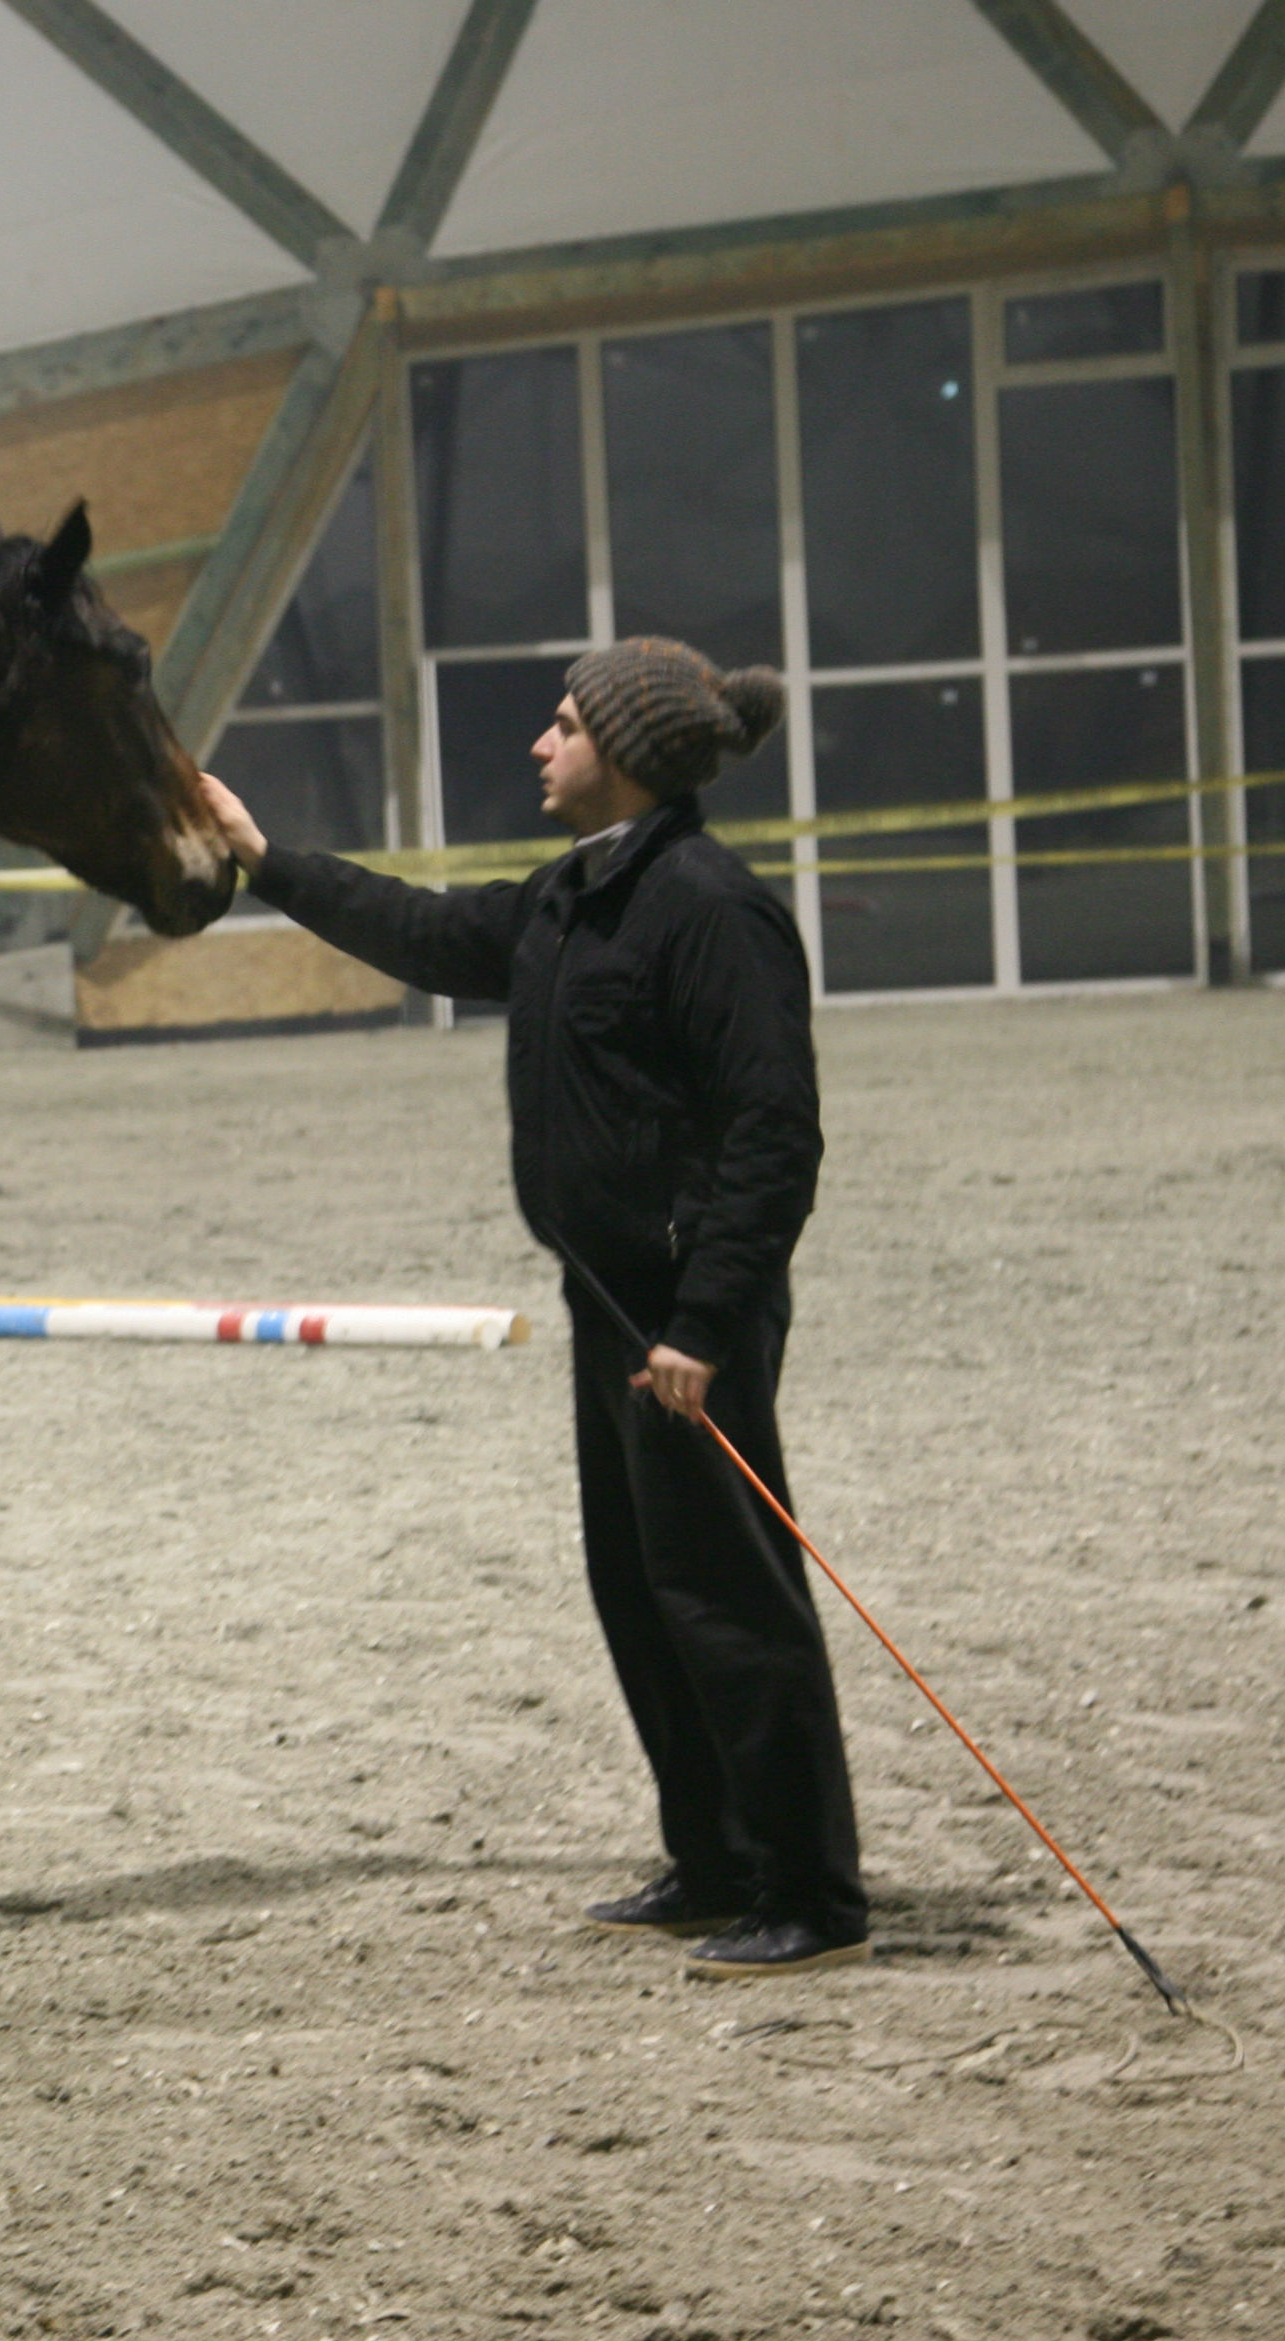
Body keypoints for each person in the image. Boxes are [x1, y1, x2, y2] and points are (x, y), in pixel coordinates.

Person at [200, 637, 865, 1977]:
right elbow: (424, 929)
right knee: (641, 1588)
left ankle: (813, 1894)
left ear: (621, 754)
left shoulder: (709, 909)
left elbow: (773, 1136)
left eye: (562, 725)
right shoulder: (573, 898)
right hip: (610, 1302)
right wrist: (266, 862)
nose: (538, 745)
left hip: (686, 1320)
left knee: (729, 1598)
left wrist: (705, 1325)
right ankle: (715, 1858)